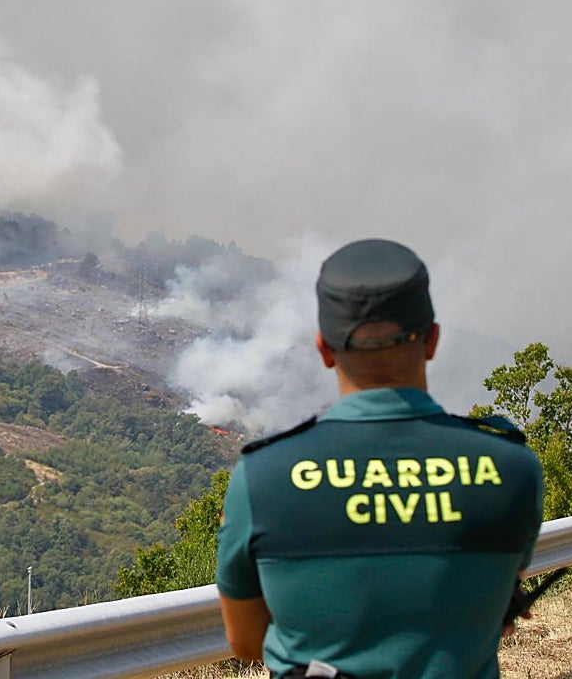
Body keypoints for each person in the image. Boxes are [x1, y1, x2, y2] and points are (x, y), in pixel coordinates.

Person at [215, 238, 543, 678]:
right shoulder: (511, 467)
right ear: (432, 341)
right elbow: (491, 606)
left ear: (324, 350)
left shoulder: (263, 476)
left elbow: (247, 642)